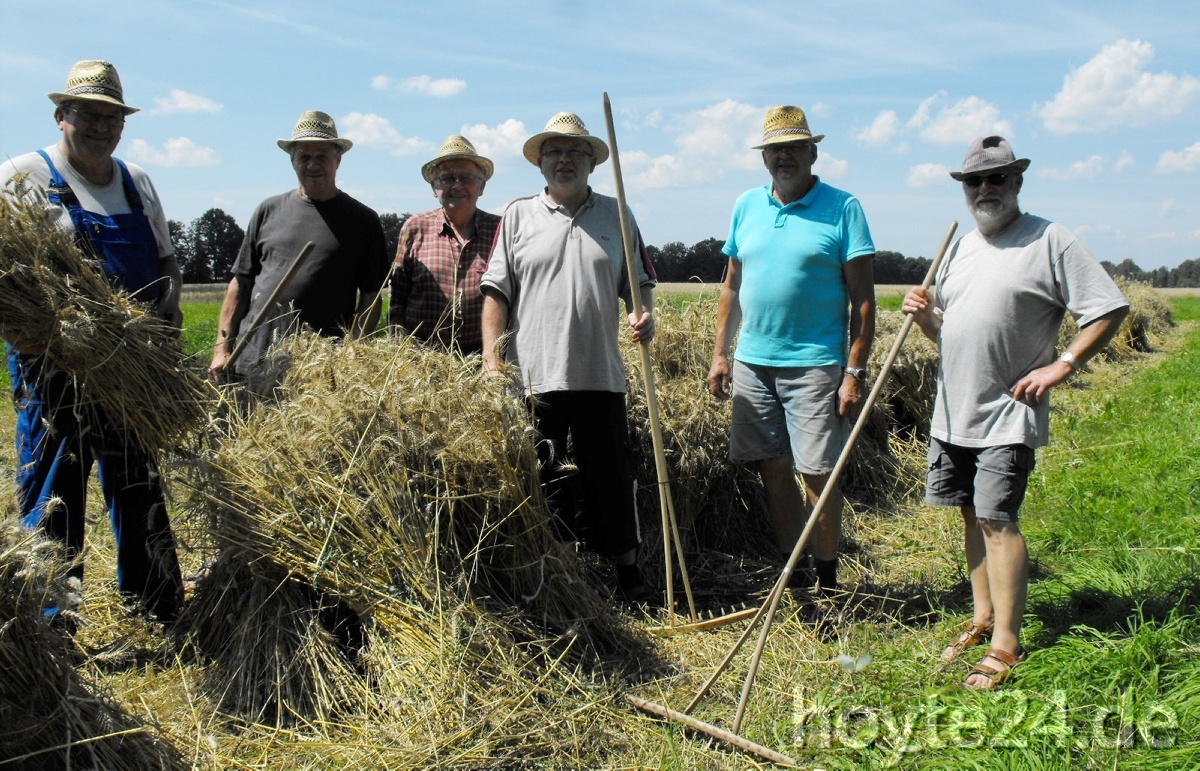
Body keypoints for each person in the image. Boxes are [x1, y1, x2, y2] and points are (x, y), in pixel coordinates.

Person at [902, 136, 1129, 690]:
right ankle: (982, 619)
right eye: (975, 181)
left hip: (1008, 411)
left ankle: (1007, 642)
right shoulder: (961, 246)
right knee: (969, 515)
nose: (985, 189)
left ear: (1018, 182)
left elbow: (1108, 307)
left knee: (997, 519)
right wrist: (927, 316)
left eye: (996, 178)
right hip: (953, 412)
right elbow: (950, 333)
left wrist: (1065, 363)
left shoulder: (1050, 239)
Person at [1, 60, 185, 627]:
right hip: (55, 369)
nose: (101, 127)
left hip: (133, 369)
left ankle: (153, 611)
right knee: (53, 492)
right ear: (61, 116)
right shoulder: (21, 176)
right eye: (88, 115)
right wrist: (26, 332)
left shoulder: (137, 182)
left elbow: (166, 264)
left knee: (138, 485)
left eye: (112, 117)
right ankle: (49, 620)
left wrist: (165, 326)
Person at [479, 112, 657, 603]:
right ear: (540, 163)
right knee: (543, 480)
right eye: (554, 152)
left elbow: (639, 284)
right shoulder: (517, 215)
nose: (564, 160)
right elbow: (496, 292)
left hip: (600, 373)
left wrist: (646, 317)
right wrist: (493, 360)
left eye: (575, 152)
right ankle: (554, 576)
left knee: (612, 479)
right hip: (533, 376)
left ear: (591, 163)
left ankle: (627, 573)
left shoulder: (618, 216)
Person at [706, 105, 876, 593]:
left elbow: (863, 302)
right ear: (765, 158)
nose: (784, 157)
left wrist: (853, 372)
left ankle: (828, 581)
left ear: (812, 152)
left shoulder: (843, 208)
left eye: (794, 148)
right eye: (775, 149)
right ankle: (795, 573)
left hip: (816, 366)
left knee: (818, 477)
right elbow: (731, 288)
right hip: (753, 364)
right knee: (773, 470)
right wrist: (721, 353)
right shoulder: (746, 206)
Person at [209, 110, 389, 385]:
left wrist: (356, 344)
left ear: (338, 160)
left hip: (318, 368)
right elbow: (240, 284)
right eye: (304, 157)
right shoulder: (267, 210)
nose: (313, 165)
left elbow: (371, 296)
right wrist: (222, 349)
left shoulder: (362, 221)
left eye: (322, 157)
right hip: (252, 359)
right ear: (292, 160)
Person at [388, 136, 501, 355]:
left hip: (482, 359)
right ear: (434, 187)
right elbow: (397, 300)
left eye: (466, 178)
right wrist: (399, 350)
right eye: (447, 178)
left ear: (482, 186)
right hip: (422, 358)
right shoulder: (415, 227)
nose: (457, 185)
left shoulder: (500, 230)